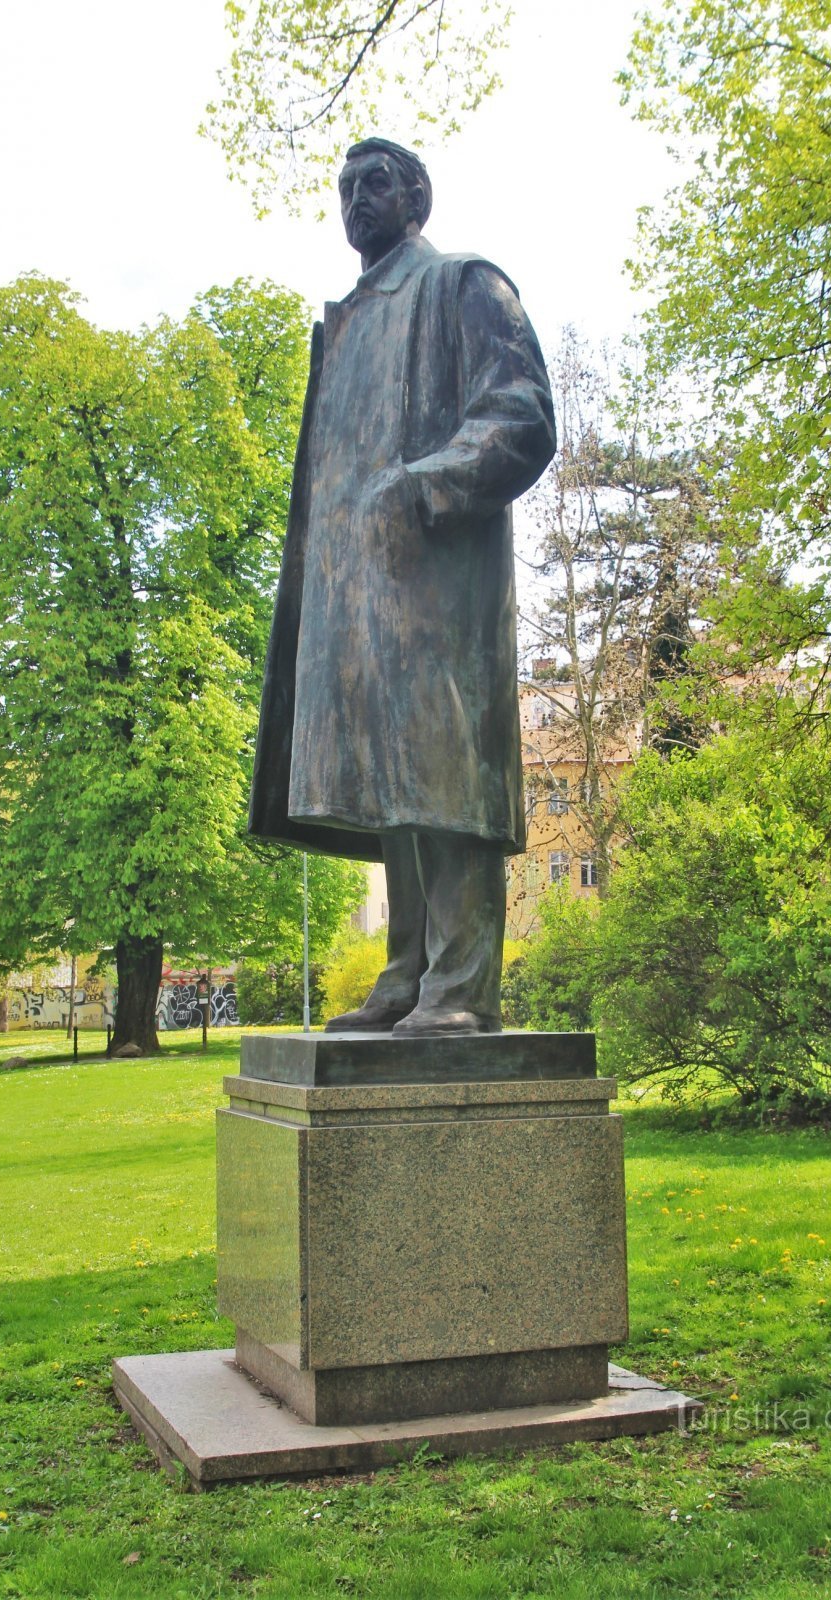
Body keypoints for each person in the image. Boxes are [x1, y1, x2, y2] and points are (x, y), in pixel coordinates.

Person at [249, 137, 555, 1035]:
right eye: (344, 188)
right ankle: (407, 971)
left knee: (441, 772)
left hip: (435, 588)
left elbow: (522, 416)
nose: (355, 200)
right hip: (356, 593)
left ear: (417, 194)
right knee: (389, 781)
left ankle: (458, 986)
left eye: (374, 183)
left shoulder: (462, 284)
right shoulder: (345, 323)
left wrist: (425, 482)